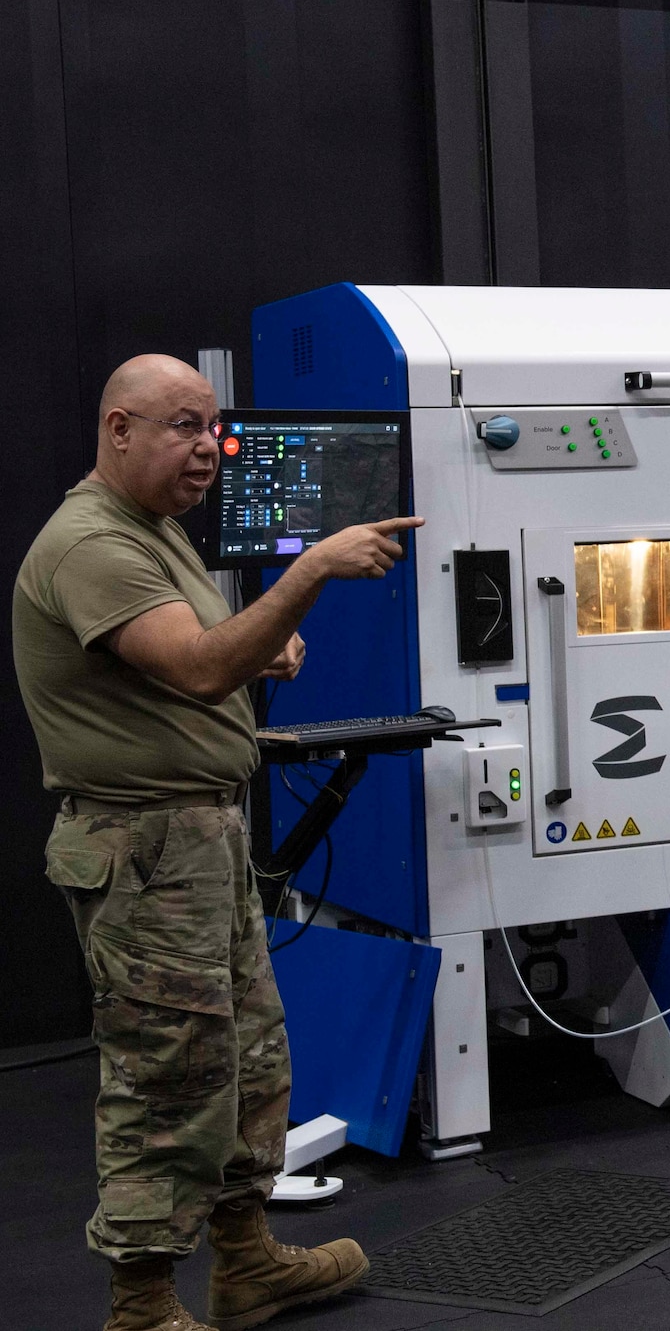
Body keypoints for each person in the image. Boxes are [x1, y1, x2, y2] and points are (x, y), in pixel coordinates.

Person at [13, 354, 423, 1331]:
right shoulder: (91, 545)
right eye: (181, 427)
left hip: (200, 847)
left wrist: (265, 641)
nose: (208, 448)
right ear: (118, 429)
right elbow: (199, 671)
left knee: (247, 1057)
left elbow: (203, 654)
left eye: (213, 429)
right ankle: (143, 1305)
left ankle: (244, 1264)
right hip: (142, 854)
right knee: (167, 1077)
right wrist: (313, 567)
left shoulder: (153, 535)